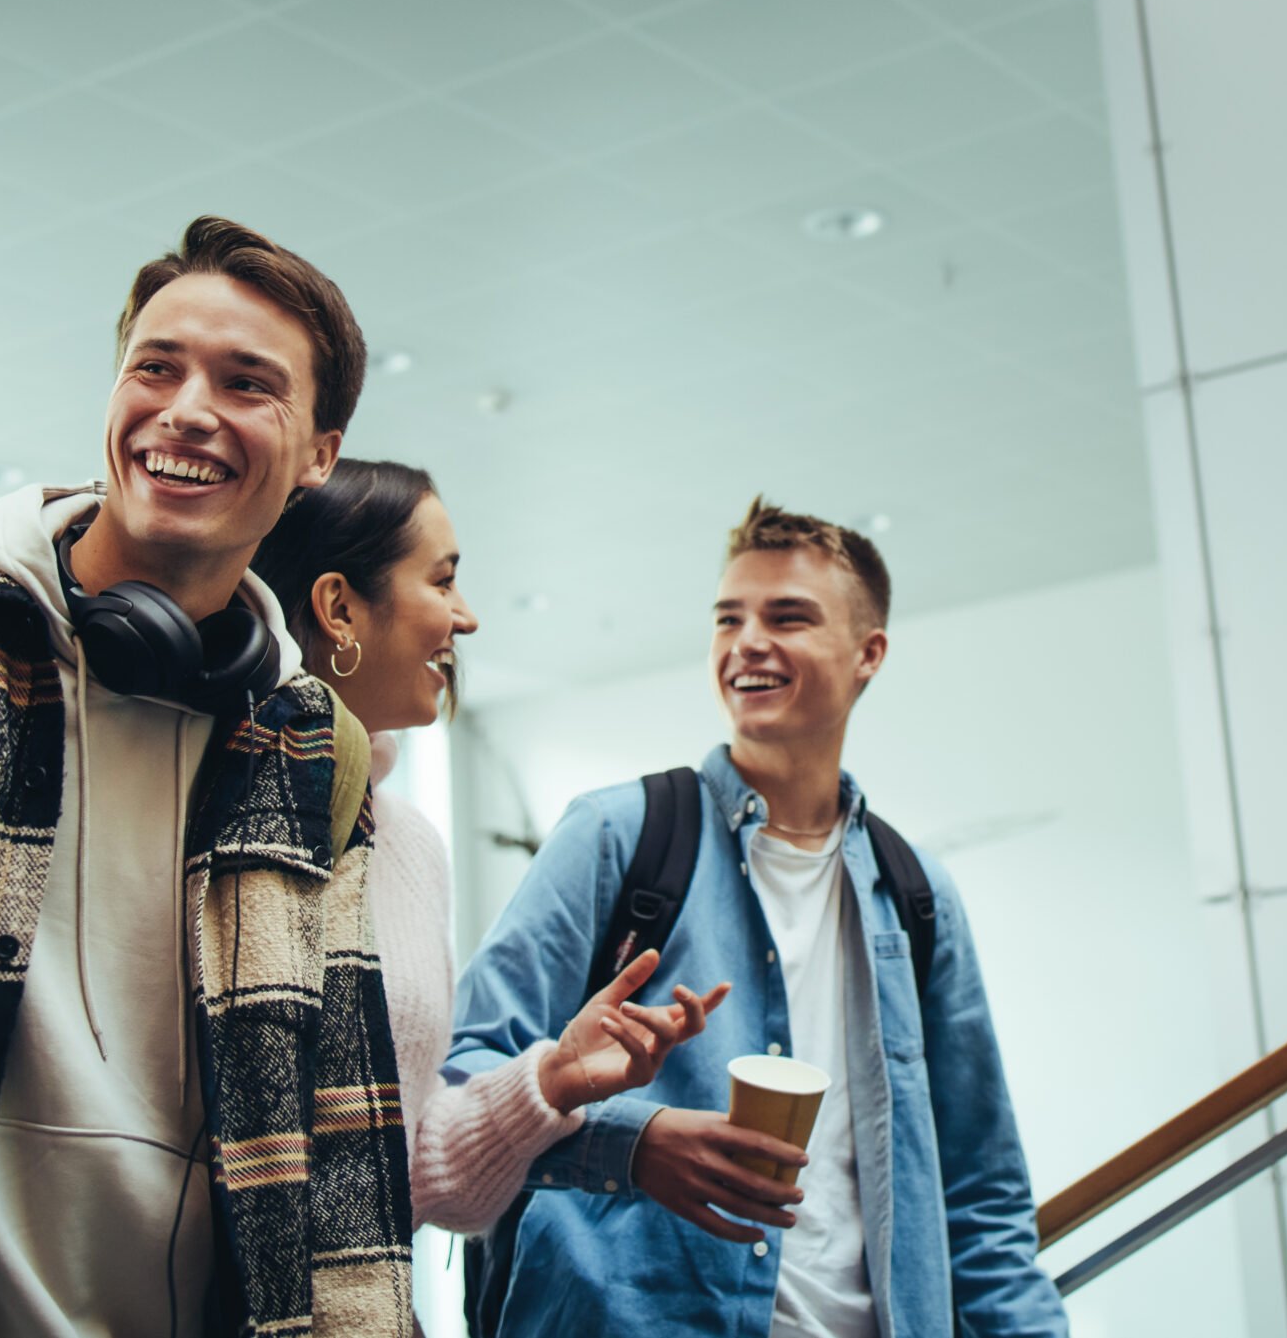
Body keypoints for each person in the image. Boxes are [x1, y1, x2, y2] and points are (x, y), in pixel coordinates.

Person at [0, 219, 411, 1338]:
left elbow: (341, 1146)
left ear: (318, 455)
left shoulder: (317, 751)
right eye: (156, 367)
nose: (186, 408)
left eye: (247, 384)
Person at [446, 498, 1070, 1337]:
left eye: (789, 617)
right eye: (727, 617)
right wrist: (637, 1139)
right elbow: (465, 1074)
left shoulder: (914, 894)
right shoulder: (615, 836)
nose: (746, 642)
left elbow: (981, 1194)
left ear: (867, 653)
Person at [251, 460, 732, 1237]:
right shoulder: (211, 815)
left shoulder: (407, 845)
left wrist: (553, 1079)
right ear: (339, 607)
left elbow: (403, 1176)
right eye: (441, 582)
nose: (465, 618)